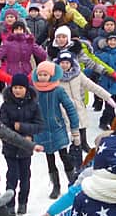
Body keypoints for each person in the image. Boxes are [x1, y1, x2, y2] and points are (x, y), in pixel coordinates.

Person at [31, 61, 81, 199]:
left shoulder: (58, 90)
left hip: (57, 128)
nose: (42, 77)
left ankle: (72, 182)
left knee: (64, 156)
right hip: (42, 130)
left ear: (51, 75)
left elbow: (70, 108)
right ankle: (56, 185)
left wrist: (74, 127)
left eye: (45, 74)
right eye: (40, 74)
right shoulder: (34, 91)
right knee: (49, 158)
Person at [0, 73, 45, 216]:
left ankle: (23, 202)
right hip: (10, 148)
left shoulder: (33, 105)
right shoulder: (6, 105)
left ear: (26, 88)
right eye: (15, 87)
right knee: (12, 176)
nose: (17, 90)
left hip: (26, 148)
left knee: (25, 176)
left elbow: (39, 125)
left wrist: (23, 128)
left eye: (20, 88)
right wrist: (14, 131)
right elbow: (2, 127)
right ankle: (10, 204)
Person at [56, 52, 115, 152]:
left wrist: (107, 97)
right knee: (69, 129)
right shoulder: (55, 77)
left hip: (78, 105)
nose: (64, 65)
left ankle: (83, 143)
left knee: (81, 124)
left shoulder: (78, 75)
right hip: (63, 108)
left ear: (71, 63)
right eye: (62, 63)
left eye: (67, 63)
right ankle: (70, 149)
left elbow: (92, 86)